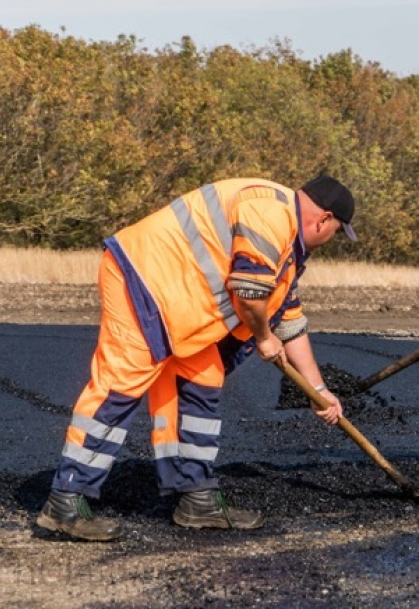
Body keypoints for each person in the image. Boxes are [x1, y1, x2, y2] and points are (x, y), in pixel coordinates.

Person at [36, 175, 356, 541]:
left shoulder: (287, 245)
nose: (330, 241)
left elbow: (289, 318)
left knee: (202, 382)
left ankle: (195, 497)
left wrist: (318, 388)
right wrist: (264, 339)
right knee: (121, 384)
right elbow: (251, 294)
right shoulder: (271, 212)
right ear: (324, 219)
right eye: (335, 232)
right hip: (143, 278)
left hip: (185, 305)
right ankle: (66, 499)